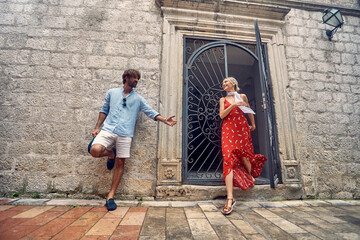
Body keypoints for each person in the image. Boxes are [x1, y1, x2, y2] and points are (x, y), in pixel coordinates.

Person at [89, 69, 177, 211]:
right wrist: (97, 127)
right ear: (126, 78)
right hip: (108, 129)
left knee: (120, 163)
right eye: (134, 78)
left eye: (138, 79)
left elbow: (150, 112)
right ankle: (111, 154)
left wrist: (164, 120)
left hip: (125, 134)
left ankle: (110, 196)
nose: (136, 81)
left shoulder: (138, 99)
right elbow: (104, 110)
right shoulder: (112, 93)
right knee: (94, 150)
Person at [219, 77, 267, 215]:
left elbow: (248, 110)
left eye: (226, 82)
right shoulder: (223, 100)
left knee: (244, 155)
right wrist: (233, 105)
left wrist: (253, 124)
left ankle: (249, 175)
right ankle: (230, 198)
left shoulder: (242, 96)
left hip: (241, 127)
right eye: (223, 83)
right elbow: (222, 115)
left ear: (233, 83)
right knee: (228, 159)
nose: (223, 84)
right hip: (228, 129)